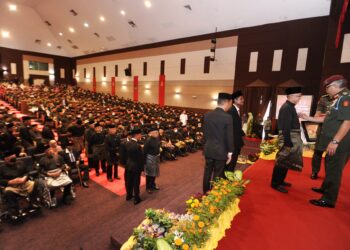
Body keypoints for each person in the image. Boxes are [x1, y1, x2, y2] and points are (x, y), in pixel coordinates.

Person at [300, 75, 350, 208]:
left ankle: (328, 199)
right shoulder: (338, 99)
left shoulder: (345, 98)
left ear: (334, 86)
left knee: (334, 169)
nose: (326, 90)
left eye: (327, 87)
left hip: (339, 143)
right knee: (329, 166)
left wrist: (335, 141)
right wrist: (308, 117)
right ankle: (325, 188)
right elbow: (327, 119)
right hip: (333, 141)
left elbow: (347, 122)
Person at [271, 87, 303, 193]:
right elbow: (285, 127)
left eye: (300, 96)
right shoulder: (287, 107)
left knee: (286, 161)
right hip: (288, 138)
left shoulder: (290, 107)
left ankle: (280, 181)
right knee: (281, 161)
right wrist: (288, 142)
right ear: (290, 96)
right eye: (298, 96)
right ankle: (275, 183)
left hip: (290, 137)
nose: (299, 98)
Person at [202, 92, 233, 193]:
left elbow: (205, 134)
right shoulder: (227, 117)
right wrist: (230, 152)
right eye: (231, 103)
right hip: (221, 150)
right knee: (218, 174)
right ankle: (214, 195)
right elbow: (229, 136)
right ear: (227, 102)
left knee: (207, 172)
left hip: (209, 148)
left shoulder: (207, 115)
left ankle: (205, 193)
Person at [310, 94, 333, 179]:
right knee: (317, 152)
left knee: (331, 154)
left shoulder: (342, 99)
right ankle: (314, 172)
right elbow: (317, 114)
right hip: (322, 129)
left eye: (329, 87)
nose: (327, 89)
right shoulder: (324, 99)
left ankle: (329, 175)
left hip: (336, 131)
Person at [124, 128, 144, 205]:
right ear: (137, 135)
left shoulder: (126, 143)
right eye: (140, 134)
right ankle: (136, 198)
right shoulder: (137, 145)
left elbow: (124, 155)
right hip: (136, 166)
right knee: (136, 182)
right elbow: (140, 158)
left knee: (129, 181)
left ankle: (129, 195)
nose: (141, 135)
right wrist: (142, 169)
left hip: (128, 165)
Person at [227, 90, 245, 171]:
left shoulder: (236, 110)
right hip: (233, 143)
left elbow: (236, 126)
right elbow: (230, 128)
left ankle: (229, 178)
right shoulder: (231, 111)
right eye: (241, 99)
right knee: (230, 163)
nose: (243, 100)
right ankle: (227, 180)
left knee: (233, 162)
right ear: (235, 100)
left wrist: (242, 132)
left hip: (236, 142)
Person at [143, 126, 161, 194]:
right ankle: (148, 187)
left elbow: (157, 146)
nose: (157, 134)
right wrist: (144, 162)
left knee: (155, 172)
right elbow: (144, 151)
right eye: (155, 132)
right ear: (151, 133)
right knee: (149, 174)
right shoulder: (148, 140)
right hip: (150, 158)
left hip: (156, 157)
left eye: (157, 132)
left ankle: (153, 184)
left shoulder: (156, 138)